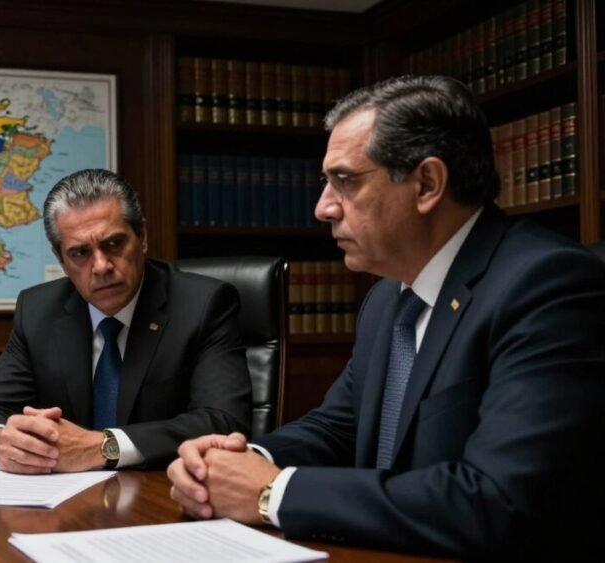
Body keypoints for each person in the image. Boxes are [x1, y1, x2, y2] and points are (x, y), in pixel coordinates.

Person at [167, 75, 605, 558]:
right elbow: (338, 428)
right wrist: (234, 462)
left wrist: (273, 493)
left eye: (345, 181)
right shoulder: (387, 299)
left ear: (427, 184)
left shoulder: (545, 286)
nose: (322, 208)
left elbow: (497, 500)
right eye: (326, 183)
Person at [0, 168, 251, 473]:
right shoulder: (38, 311)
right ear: (61, 260)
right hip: (66, 496)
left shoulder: (203, 305)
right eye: (80, 253)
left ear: (142, 237)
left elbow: (224, 421)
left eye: (113, 244)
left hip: (165, 489)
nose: (101, 266)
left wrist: (104, 446)